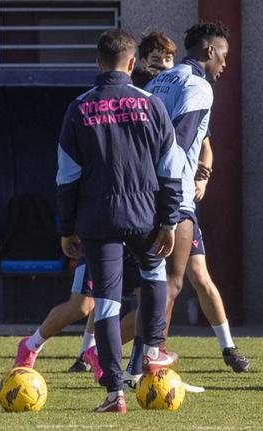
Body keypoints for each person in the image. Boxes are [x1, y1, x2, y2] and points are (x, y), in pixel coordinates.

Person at [56, 28, 183, 412]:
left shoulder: (79, 107)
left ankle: (115, 394)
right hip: (146, 215)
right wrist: (170, 220)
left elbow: (67, 175)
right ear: (132, 63)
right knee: (154, 274)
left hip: (98, 218)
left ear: (98, 63)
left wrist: (67, 227)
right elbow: (170, 169)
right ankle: (154, 351)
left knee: (107, 303)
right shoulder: (152, 104)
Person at [145, 22, 250, 372]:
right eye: (224, 55)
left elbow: (196, 142)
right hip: (171, 196)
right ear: (209, 52)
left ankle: (223, 349)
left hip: (143, 190)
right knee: (169, 286)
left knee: (173, 280)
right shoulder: (199, 85)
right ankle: (140, 361)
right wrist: (174, 198)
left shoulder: (159, 81)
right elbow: (180, 140)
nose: (225, 63)